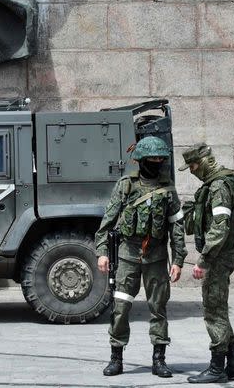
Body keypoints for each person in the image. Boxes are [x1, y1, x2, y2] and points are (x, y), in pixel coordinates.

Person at [94, 136, 186, 378]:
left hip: (156, 258)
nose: (156, 162)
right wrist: (101, 252)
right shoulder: (126, 185)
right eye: (152, 159)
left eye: (160, 159)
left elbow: (177, 226)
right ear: (141, 160)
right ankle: (116, 357)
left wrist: (177, 260)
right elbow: (108, 221)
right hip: (127, 256)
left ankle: (159, 359)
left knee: (158, 308)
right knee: (121, 306)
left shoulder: (167, 189)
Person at [179, 143, 234, 384]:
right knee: (218, 309)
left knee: (214, 311)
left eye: (193, 166)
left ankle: (218, 367)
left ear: (204, 162)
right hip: (222, 255)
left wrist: (204, 260)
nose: (191, 171)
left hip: (218, 258)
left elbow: (220, 227)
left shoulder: (219, 186)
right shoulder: (221, 182)